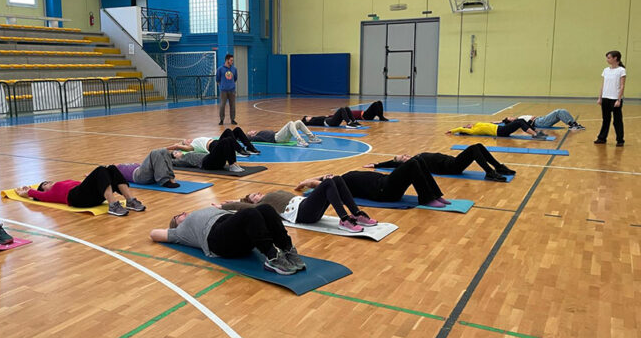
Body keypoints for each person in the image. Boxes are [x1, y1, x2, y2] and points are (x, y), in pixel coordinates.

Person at [150, 204, 305, 275]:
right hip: (217, 239)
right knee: (250, 214)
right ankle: (273, 258)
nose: (183, 213)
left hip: (234, 230)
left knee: (266, 209)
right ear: (176, 224)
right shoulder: (181, 232)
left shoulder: (205, 211)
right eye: (178, 217)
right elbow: (153, 234)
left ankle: (288, 250)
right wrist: (172, 230)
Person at [216, 175, 377, 233]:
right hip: (302, 213)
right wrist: (225, 206)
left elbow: (300, 187)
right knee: (328, 183)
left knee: (336, 179)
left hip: (307, 205)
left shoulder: (274, 194)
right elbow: (243, 207)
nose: (258, 194)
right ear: (253, 201)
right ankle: (344, 219)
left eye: (257, 192)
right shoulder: (261, 206)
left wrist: (306, 183)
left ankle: (356, 214)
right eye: (254, 196)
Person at [296, 157, 450, 208]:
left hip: (385, 183)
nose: (329, 175)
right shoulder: (338, 184)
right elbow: (321, 185)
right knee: (413, 164)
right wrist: (307, 182)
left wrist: (314, 177)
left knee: (418, 160)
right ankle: (426, 198)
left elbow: (323, 177)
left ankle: (435, 195)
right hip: (383, 191)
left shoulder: (340, 178)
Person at [15, 165, 145, 216]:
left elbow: (85, 185)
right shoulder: (49, 193)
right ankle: (113, 205)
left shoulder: (64, 183)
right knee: (100, 169)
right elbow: (33, 194)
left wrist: (95, 177)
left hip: (87, 193)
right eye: (44, 184)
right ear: (44, 190)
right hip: (77, 198)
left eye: (47, 181)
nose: (47, 182)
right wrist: (24, 191)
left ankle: (130, 200)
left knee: (110, 169)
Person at [363, 143, 516, 182]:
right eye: (402, 157)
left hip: (453, 161)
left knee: (478, 146)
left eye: (403, 154)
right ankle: (490, 172)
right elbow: (392, 163)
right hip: (451, 167)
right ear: (402, 163)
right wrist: (377, 165)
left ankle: (498, 167)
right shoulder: (414, 162)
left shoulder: (417, 156)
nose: (405, 155)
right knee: (474, 149)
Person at [595, 50, 626, 146]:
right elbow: (603, 85)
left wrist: (618, 99)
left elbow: (622, 86)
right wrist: (600, 98)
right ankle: (602, 138)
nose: (607, 60)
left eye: (609, 58)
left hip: (615, 99)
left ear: (615, 58)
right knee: (606, 119)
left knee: (617, 121)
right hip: (605, 99)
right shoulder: (605, 70)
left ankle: (620, 140)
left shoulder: (621, 70)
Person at [168, 127, 260, 156]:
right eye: (186, 141)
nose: (189, 139)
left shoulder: (196, 140)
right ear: (186, 144)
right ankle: (240, 150)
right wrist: (165, 148)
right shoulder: (191, 147)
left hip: (217, 142)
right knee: (228, 131)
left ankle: (250, 147)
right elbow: (177, 146)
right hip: (214, 147)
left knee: (237, 130)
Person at [171, 137, 245, 172]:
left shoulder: (188, 153)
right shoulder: (182, 160)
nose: (178, 152)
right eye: (175, 153)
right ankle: (232, 166)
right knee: (225, 141)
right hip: (207, 163)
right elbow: (170, 161)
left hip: (214, 161)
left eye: (176, 151)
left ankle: (234, 164)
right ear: (175, 157)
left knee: (229, 139)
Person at [245, 120, 323, 147]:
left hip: (279, 135)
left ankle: (311, 137)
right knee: (290, 123)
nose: (252, 130)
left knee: (298, 122)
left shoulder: (260, 133)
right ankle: (300, 140)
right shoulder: (256, 137)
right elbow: (245, 138)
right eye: (250, 131)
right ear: (251, 135)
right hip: (277, 138)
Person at [447, 119, 547, 140]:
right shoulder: (473, 131)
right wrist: (452, 131)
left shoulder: (477, 124)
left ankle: (536, 132)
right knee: (520, 122)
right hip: (500, 132)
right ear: (466, 129)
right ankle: (534, 135)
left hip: (500, 128)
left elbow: (489, 124)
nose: (468, 125)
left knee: (521, 120)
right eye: (466, 126)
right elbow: (460, 128)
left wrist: (497, 121)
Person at [498, 109, 584, 131]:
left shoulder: (518, 118)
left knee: (560, 112)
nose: (511, 117)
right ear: (511, 121)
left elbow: (501, 122)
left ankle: (573, 124)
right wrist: (531, 119)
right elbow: (528, 125)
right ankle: (573, 125)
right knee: (558, 112)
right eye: (510, 118)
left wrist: (499, 121)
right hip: (539, 122)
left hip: (540, 120)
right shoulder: (518, 121)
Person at [216, 53, 238, 125]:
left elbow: (235, 78)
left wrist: (230, 85)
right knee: (222, 105)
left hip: (232, 90)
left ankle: (232, 119)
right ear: (227, 60)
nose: (232, 62)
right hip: (223, 91)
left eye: (232, 60)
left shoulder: (234, 69)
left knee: (233, 105)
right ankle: (221, 120)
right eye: (231, 60)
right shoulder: (220, 69)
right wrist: (223, 86)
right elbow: (217, 79)